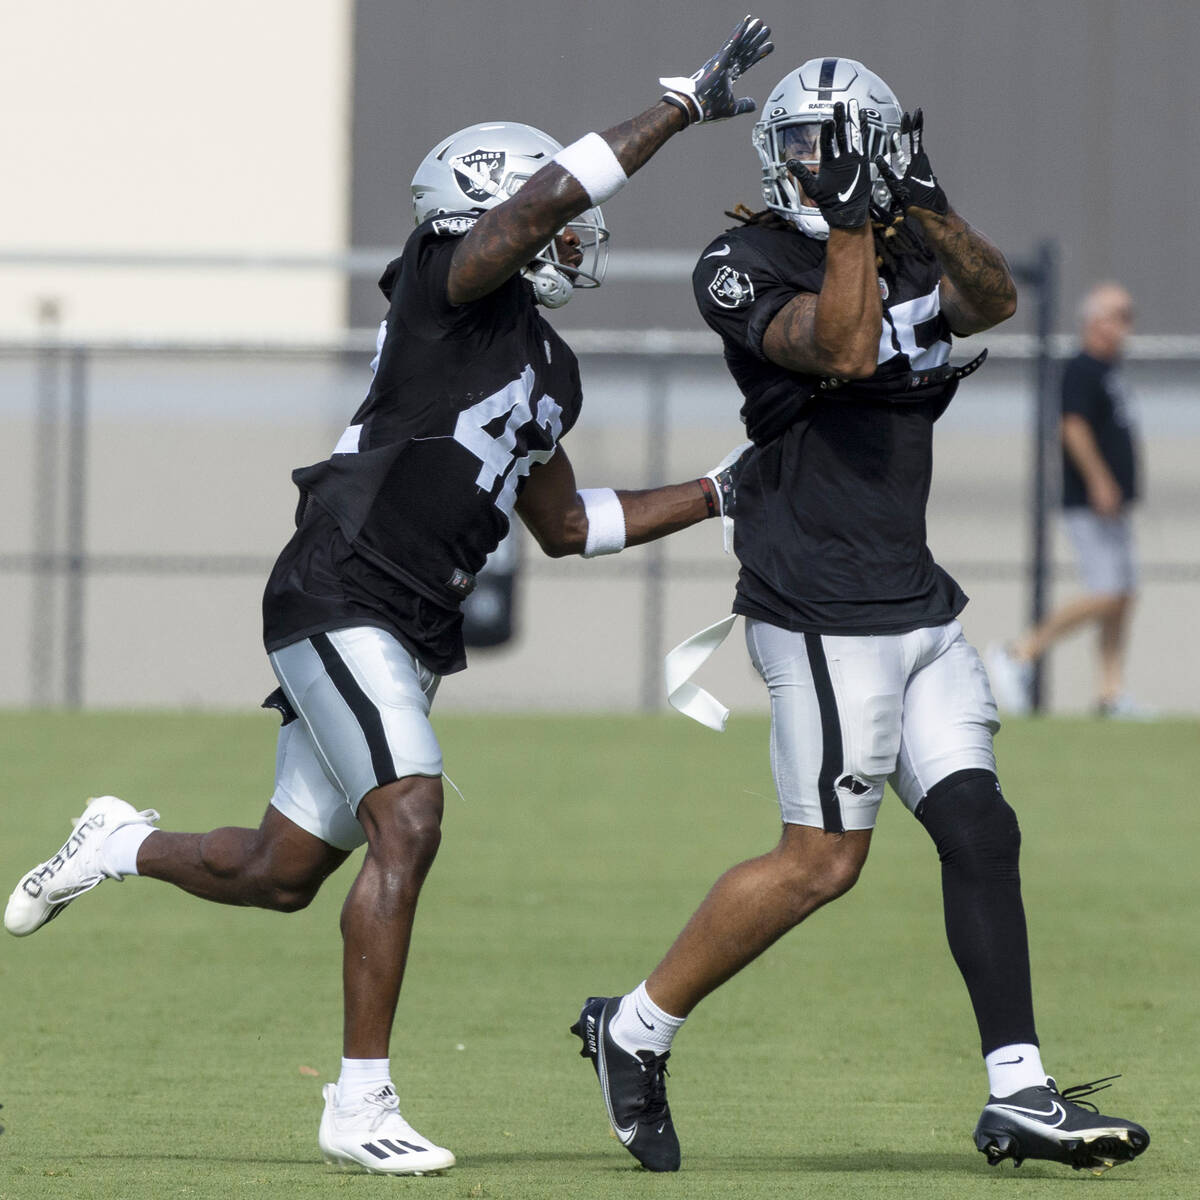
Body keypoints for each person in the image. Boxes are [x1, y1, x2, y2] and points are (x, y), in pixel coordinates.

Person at [4, 17, 773, 1177]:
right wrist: (673, 108)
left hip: (410, 627)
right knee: (409, 818)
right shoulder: (444, 284)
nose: (577, 235)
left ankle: (118, 844)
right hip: (341, 586)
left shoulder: (550, 365)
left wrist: (722, 490)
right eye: (555, 216)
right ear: (491, 211)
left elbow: (567, 528)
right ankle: (359, 1103)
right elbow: (537, 206)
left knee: (279, 873)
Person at [571, 57, 1149, 1176]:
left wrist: (924, 204)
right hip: (821, 600)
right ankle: (633, 1029)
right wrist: (850, 222)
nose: (808, 165)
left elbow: (995, 301)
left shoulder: (907, 238)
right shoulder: (739, 262)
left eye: (830, 147)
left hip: (911, 589)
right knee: (822, 863)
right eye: (796, 144)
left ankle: (1018, 1093)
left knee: (982, 827)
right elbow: (838, 346)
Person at [987, 283, 1141, 716]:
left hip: (1113, 503)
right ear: (1095, 321)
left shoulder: (1110, 370)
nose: (1127, 325)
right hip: (1090, 500)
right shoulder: (1082, 368)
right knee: (1110, 592)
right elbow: (1072, 427)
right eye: (1120, 314)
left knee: (1124, 595)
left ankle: (1110, 694)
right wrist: (1099, 480)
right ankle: (1020, 652)